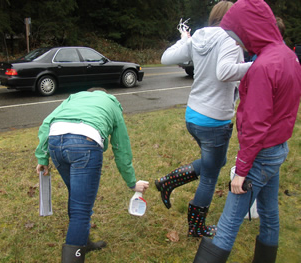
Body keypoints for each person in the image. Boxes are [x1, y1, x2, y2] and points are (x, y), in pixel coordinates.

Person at [193, 0, 301, 262]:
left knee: (229, 222)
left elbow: (256, 125)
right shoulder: (288, 56)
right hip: (277, 148)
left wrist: (241, 171)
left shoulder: (263, 67)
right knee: (269, 212)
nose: (238, 44)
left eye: (237, 37)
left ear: (250, 30)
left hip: (260, 154)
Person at [155, 1, 251, 238]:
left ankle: (168, 181)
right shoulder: (230, 40)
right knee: (210, 175)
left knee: (214, 162)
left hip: (194, 115)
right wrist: (258, 66)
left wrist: (184, 40)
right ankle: (196, 226)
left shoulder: (199, 36)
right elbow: (225, 72)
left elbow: (166, 58)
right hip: (214, 121)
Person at [35, 88, 149, 263]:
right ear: (105, 94)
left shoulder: (75, 96)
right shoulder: (112, 103)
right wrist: (132, 182)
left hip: (55, 142)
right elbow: (121, 146)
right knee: (81, 208)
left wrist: (43, 157)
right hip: (85, 144)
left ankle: (83, 242)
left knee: (76, 197)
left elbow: (46, 123)